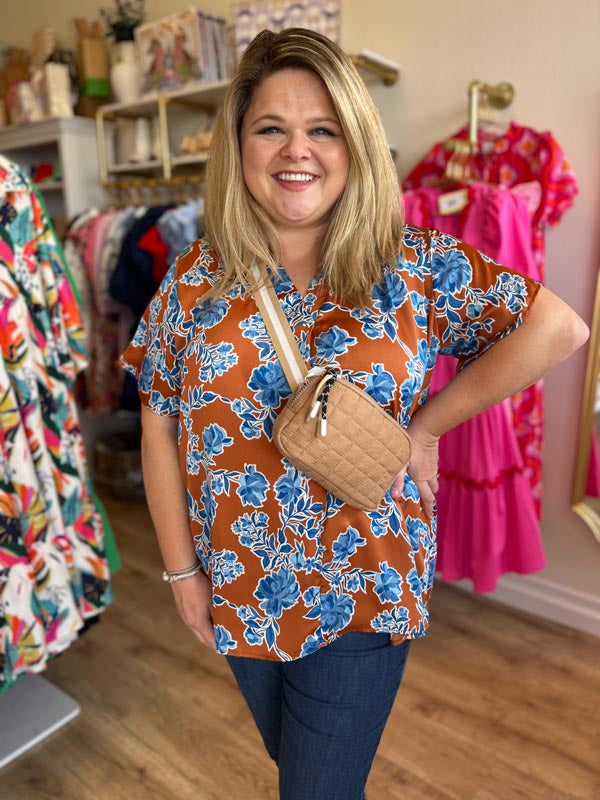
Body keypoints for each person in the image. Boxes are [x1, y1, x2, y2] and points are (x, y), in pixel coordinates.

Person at [121, 27, 588, 800]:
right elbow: (157, 424)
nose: (294, 150)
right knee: (309, 778)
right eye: (270, 127)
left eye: (322, 129)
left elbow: (558, 328)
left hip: (362, 588)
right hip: (239, 586)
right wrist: (181, 573)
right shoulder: (195, 278)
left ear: (355, 143)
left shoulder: (414, 265)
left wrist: (429, 425)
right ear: (238, 145)